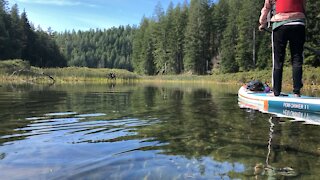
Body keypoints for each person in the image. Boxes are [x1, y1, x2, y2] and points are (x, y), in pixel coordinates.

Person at [259, 0, 306, 97]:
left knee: (278, 60)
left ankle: (276, 92)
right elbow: (303, 5)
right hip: (299, 24)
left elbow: (266, 8)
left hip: (280, 25)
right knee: (297, 58)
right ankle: (297, 92)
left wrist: (262, 23)